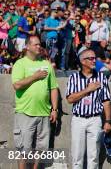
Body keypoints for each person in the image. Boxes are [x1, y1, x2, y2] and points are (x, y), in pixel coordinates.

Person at [11, 35, 60, 169]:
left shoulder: (46, 64)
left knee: (41, 149)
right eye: (36, 44)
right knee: (23, 150)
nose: (39, 47)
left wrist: (54, 109)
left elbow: (53, 88)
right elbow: (17, 85)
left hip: (44, 113)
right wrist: (35, 76)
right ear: (27, 46)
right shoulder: (20, 64)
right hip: (25, 113)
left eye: (40, 44)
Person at [66, 47, 111, 169]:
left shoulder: (102, 78)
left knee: (93, 157)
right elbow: (70, 99)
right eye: (91, 58)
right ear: (83, 61)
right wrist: (88, 89)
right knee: (77, 156)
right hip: (78, 119)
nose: (94, 61)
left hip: (95, 119)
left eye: (95, 58)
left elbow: (106, 101)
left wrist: (108, 121)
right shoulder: (73, 78)